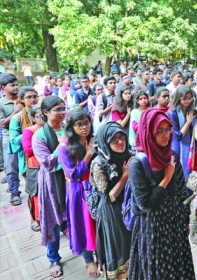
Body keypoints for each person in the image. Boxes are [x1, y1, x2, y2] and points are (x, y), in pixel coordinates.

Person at [128, 108, 195, 279]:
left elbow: (181, 191)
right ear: (149, 132)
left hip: (173, 224)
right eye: (159, 131)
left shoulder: (171, 156)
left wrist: (184, 219)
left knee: (177, 268)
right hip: (153, 228)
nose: (165, 135)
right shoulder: (138, 164)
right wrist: (166, 178)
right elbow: (146, 204)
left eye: (168, 129)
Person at [57, 108, 99, 278]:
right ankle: (89, 259)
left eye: (87, 123)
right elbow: (72, 174)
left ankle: (101, 253)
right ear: (71, 127)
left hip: (96, 186)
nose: (84, 127)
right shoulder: (64, 147)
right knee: (83, 224)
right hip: (78, 190)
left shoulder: (93, 139)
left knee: (98, 223)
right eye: (79, 124)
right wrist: (88, 155)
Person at [90, 122, 132, 279]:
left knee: (132, 248)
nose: (120, 142)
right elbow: (109, 197)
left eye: (122, 137)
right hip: (112, 213)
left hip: (129, 208)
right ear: (105, 142)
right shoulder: (99, 163)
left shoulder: (129, 155)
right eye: (114, 140)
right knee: (120, 250)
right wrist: (125, 175)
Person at [32, 96, 67, 278]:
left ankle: (84, 252)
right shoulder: (39, 135)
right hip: (51, 182)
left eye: (63, 108)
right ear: (46, 113)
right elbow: (47, 162)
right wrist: (62, 146)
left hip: (71, 179)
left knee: (74, 215)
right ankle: (53, 258)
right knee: (52, 220)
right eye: (58, 110)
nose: (62, 113)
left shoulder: (68, 128)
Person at [9, 87, 39, 190]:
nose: (33, 99)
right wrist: (31, 132)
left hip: (45, 156)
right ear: (22, 99)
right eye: (29, 97)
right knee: (35, 191)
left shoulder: (44, 113)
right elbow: (13, 141)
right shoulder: (17, 118)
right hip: (28, 160)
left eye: (35, 96)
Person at [0, 73, 23, 206]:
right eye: (12, 85)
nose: (16, 87)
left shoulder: (23, 98)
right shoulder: (1, 103)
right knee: (11, 167)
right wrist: (15, 111)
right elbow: (2, 124)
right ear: (3, 87)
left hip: (26, 137)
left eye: (16, 84)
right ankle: (14, 193)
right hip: (9, 140)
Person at [168, 85, 197, 182]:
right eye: (185, 98)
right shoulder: (173, 113)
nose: (187, 101)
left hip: (192, 147)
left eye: (190, 98)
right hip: (178, 148)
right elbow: (178, 136)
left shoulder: (192, 111)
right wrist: (188, 122)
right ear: (178, 98)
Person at [22, 105, 44, 232]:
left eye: (43, 115)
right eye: (39, 116)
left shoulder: (51, 128)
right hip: (36, 166)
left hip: (50, 165)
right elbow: (27, 151)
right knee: (36, 194)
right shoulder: (30, 131)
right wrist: (42, 146)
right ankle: (37, 219)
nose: (42, 118)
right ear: (33, 118)